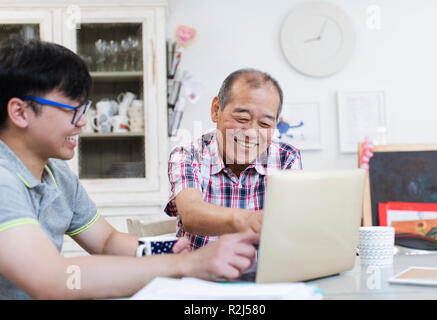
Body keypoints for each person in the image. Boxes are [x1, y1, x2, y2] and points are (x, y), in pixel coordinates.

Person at [0, 39, 259, 300]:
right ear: (20, 112)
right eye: (73, 109)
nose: (82, 123)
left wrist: (175, 249)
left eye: (85, 109)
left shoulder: (57, 174)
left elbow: (107, 242)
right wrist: (187, 264)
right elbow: (54, 280)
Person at [165, 68, 302, 250]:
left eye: (265, 124)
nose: (252, 133)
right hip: (201, 274)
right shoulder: (187, 156)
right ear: (216, 110)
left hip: (267, 274)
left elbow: (290, 227)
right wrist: (250, 220)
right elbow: (191, 214)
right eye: (242, 118)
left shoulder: (287, 159)